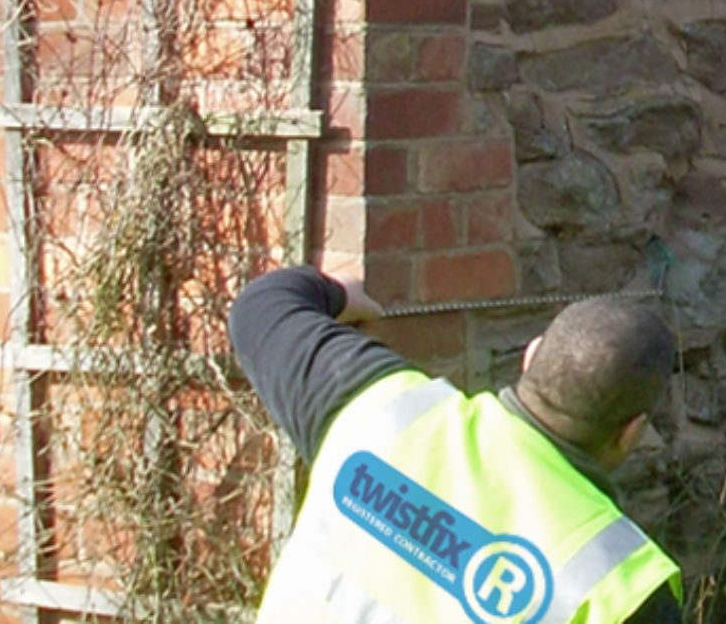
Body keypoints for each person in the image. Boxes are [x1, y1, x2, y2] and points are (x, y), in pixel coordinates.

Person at [229, 265, 684, 623]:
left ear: (530, 355)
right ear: (631, 433)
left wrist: (342, 292)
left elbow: (262, 307)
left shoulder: (379, 406)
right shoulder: (621, 587)